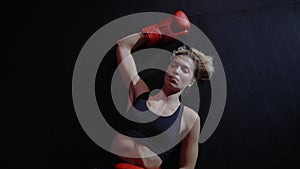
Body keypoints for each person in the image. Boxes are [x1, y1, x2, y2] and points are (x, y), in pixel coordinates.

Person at [110, 10, 214, 169]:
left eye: (184, 70)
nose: (176, 71)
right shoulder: (140, 91)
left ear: (192, 81)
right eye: (174, 65)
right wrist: (159, 32)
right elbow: (122, 46)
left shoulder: (190, 119)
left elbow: (187, 167)